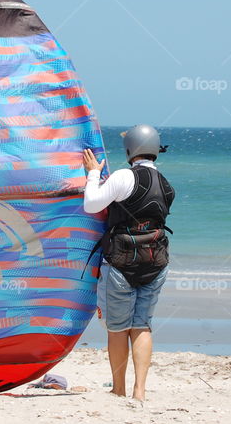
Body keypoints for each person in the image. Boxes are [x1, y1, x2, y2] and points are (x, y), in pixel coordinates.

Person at [82, 125, 174, 402]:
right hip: (156, 262)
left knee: (118, 328)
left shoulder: (124, 176)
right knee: (142, 325)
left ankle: (119, 388)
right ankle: (140, 391)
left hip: (121, 262)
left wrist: (93, 173)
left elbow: (91, 204)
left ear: (130, 149)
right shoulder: (167, 184)